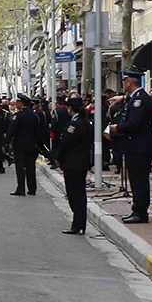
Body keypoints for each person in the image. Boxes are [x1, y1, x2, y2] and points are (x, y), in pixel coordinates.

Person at [107, 68, 152, 223]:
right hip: (136, 146)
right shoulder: (136, 97)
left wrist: (117, 128)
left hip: (138, 147)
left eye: (124, 82)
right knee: (136, 180)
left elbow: (134, 123)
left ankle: (140, 212)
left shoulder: (139, 100)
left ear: (128, 83)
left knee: (138, 181)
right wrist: (123, 98)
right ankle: (138, 210)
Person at [54, 95, 93, 235]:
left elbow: (66, 143)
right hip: (80, 163)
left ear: (70, 108)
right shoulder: (84, 121)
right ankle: (79, 223)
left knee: (74, 195)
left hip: (73, 163)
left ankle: (77, 224)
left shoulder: (75, 124)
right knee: (79, 193)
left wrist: (58, 157)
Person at [6, 94, 42, 196]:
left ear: (21, 103)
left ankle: (21, 189)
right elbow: (37, 131)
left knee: (20, 167)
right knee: (30, 167)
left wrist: (5, 144)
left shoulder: (18, 116)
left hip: (20, 145)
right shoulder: (34, 115)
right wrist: (36, 143)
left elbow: (11, 131)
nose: (16, 104)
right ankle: (32, 188)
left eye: (17, 102)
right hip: (31, 144)